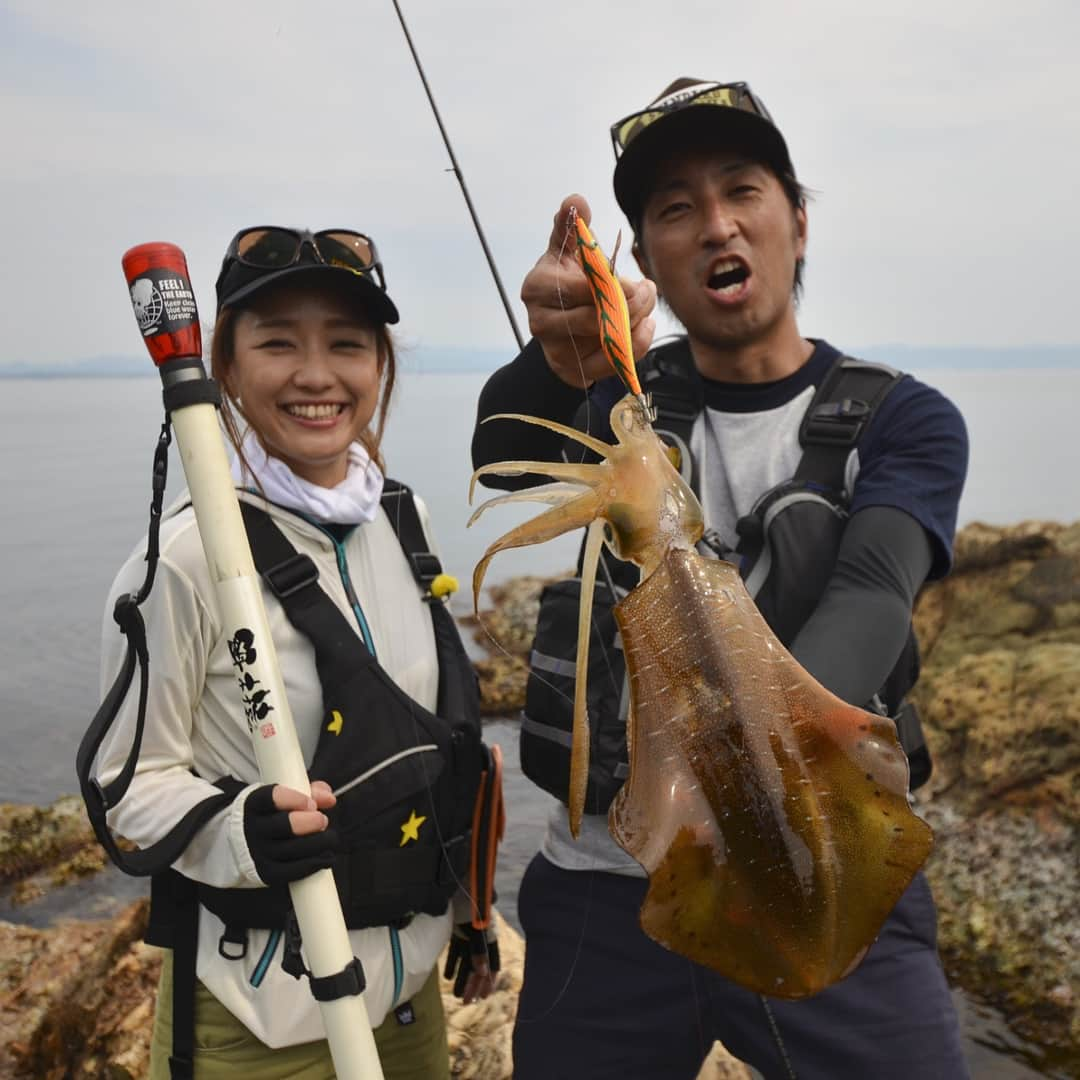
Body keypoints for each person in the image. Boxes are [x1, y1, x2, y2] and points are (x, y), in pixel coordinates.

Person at [471, 80, 970, 1079]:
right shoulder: (613, 401)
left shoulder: (903, 417)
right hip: (607, 897)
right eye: (672, 208)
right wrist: (558, 358)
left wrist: (740, 781)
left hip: (817, 865)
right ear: (645, 259)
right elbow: (502, 455)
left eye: (742, 189)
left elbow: (873, 590)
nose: (714, 224)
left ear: (797, 221)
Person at [94, 226, 498, 1079]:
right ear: (225, 368)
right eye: (278, 341)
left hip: (406, 1001)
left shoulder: (402, 517)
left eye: (346, 344)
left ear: (380, 365)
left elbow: (428, 745)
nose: (317, 374)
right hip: (257, 1022)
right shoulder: (187, 558)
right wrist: (240, 833)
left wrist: (475, 913)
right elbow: (126, 791)